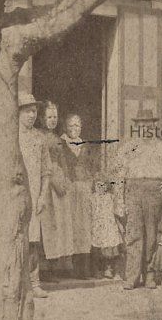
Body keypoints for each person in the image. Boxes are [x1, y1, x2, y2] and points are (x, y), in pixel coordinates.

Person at [110, 108, 162, 290]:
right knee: (134, 235)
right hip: (133, 191)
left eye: (149, 125)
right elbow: (119, 174)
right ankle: (132, 277)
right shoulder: (130, 147)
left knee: (152, 235)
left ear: (154, 126)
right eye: (142, 125)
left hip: (154, 193)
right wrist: (119, 199)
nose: (146, 128)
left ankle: (150, 275)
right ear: (137, 127)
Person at [18, 93, 51, 299]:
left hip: (35, 195)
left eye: (34, 111)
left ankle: (34, 282)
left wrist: (42, 197)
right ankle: (17, 282)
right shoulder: (12, 136)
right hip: (17, 196)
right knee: (16, 238)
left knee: (33, 240)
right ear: (19, 113)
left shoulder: (40, 138)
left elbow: (46, 172)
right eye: (28, 111)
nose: (32, 115)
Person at [37, 101, 75, 279]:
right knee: (47, 225)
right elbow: (43, 164)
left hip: (59, 182)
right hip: (47, 183)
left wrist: (66, 180)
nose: (52, 120)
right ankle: (43, 268)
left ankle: (56, 266)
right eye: (49, 117)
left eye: (55, 117)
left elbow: (63, 162)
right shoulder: (39, 137)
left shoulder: (58, 138)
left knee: (59, 224)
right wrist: (53, 181)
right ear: (42, 118)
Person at [60, 114, 98, 279]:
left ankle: (84, 269)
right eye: (71, 125)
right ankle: (68, 268)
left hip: (84, 190)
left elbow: (92, 167)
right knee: (70, 228)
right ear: (65, 127)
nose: (74, 129)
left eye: (77, 125)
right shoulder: (61, 144)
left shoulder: (85, 146)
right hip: (68, 191)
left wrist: (90, 182)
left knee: (84, 229)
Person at [90, 176, 124, 279]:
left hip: (109, 224)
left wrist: (120, 220)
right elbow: (90, 211)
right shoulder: (92, 198)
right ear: (94, 186)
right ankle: (98, 270)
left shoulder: (110, 197)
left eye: (103, 185)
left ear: (106, 186)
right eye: (98, 185)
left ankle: (112, 270)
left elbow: (116, 210)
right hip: (97, 225)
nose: (100, 187)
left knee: (111, 247)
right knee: (97, 247)